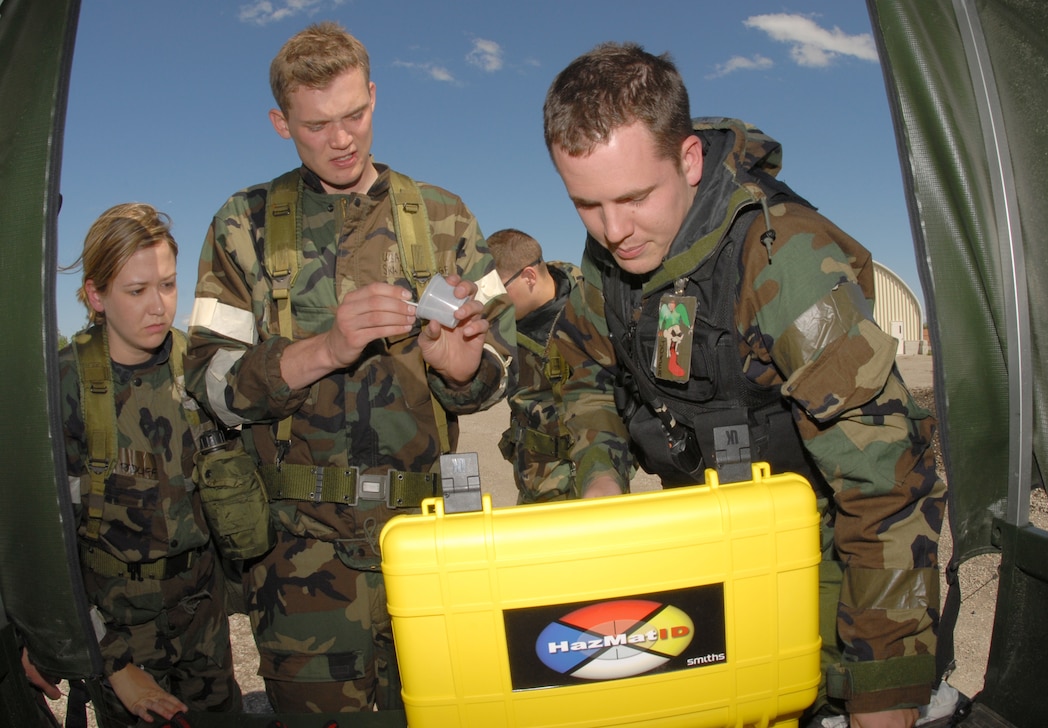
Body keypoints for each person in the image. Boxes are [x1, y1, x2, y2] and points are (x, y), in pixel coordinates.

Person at [543, 43, 947, 728]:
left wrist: (883, 692)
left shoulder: (783, 262)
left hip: (822, 570)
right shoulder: (609, 260)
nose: (613, 231)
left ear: (690, 159)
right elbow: (583, 371)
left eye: (635, 197)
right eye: (587, 204)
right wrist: (598, 476)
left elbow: (886, 488)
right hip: (704, 560)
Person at [184, 21, 515, 713]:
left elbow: (504, 364)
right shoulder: (241, 225)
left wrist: (464, 369)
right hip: (302, 560)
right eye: (317, 124)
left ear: (374, 95)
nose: (342, 139)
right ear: (282, 123)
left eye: (355, 115)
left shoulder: (446, 218)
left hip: (428, 541)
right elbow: (208, 385)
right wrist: (322, 351)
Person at [50, 203, 241, 727]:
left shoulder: (199, 370)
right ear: (95, 296)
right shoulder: (60, 388)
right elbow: (41, 545)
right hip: (119, 630)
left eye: (167, 285)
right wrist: (112, 664)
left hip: (203, 616)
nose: (158, 307)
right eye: (136, 291)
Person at [486, 228, 635, 503]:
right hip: (536, 488)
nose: (490, 302)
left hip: (597, 480)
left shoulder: (596, 306)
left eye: (496, 290)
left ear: (529, 276)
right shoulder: (500, 327)